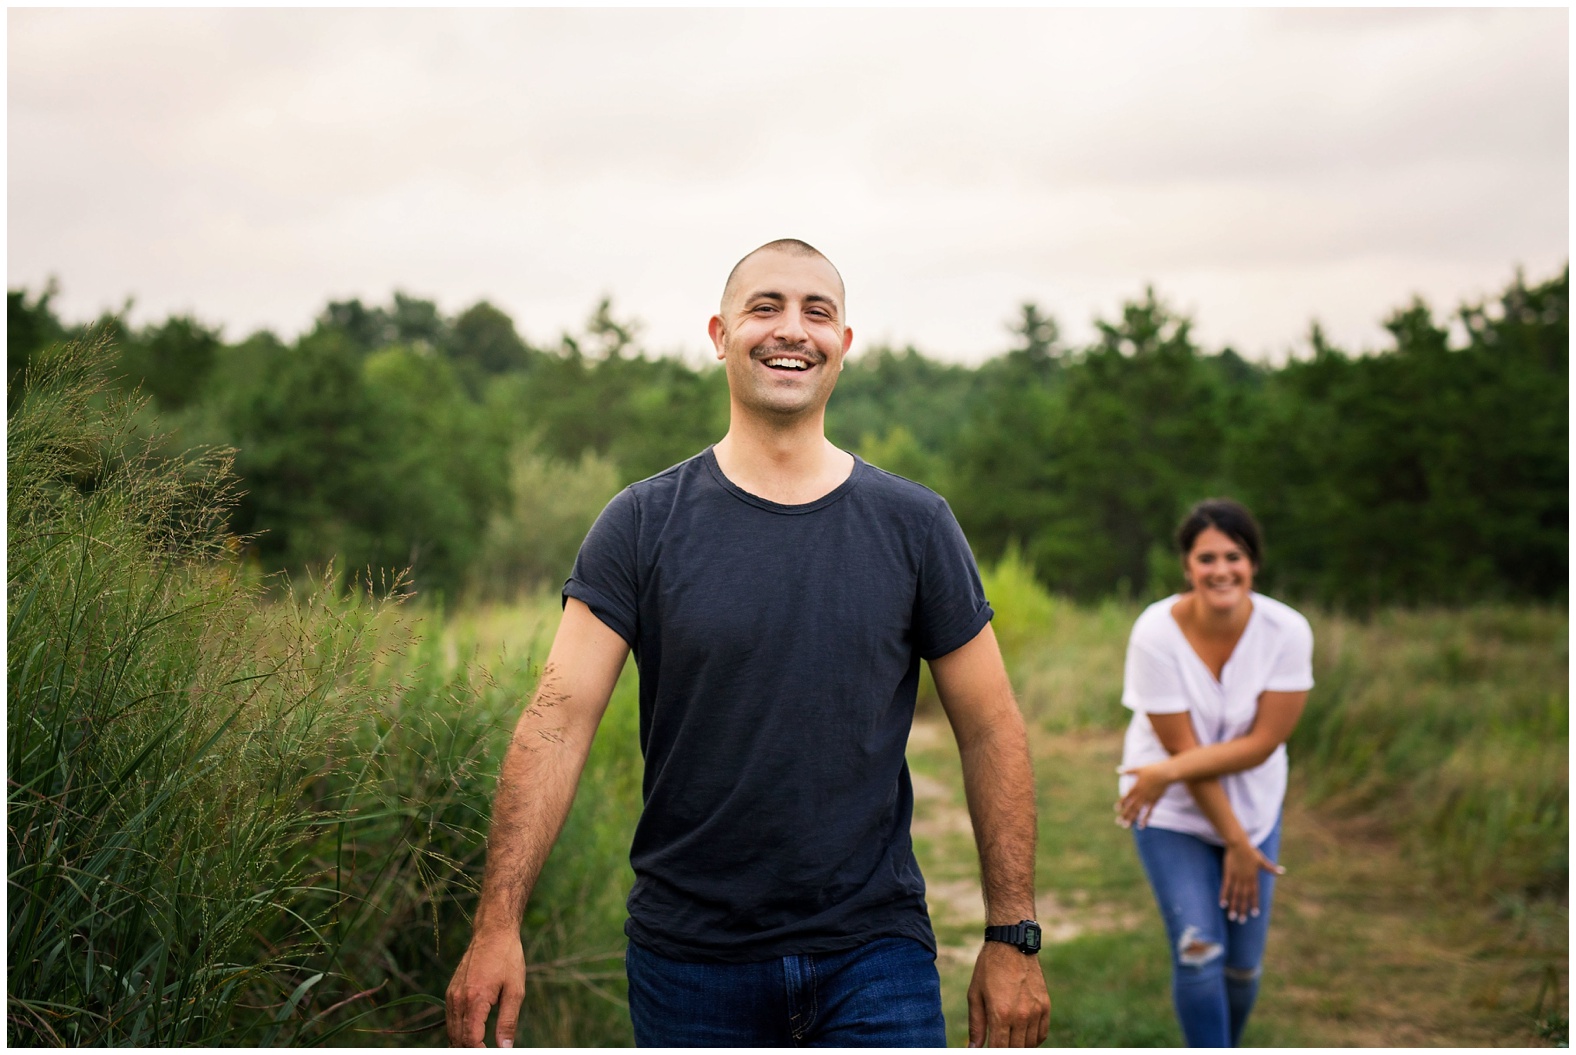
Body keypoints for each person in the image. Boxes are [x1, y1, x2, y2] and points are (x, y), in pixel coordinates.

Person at [446, 239, 1051, 1048]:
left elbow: (990, 726)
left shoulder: (916, 525)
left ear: (845, 343)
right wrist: (496, 925)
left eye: (817, 311)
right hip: (690, 963)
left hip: (875, 954)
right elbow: (557, 721)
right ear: (719, 334)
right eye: (764, 307)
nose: (791, 329)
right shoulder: (640, 524)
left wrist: (1013, 935)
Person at [1114, 499, 1313, 1048]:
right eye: (1207, 558)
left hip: (1251, 806)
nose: (1221, 569)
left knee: (1243, 968)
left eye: (1235, 555)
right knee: (1199, 953)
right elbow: (1189, 750)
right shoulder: (1155, 632)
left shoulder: (1288, 632)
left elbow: (1263, 744)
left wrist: (1164, 771)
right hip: (1171, 811)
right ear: (1187, 566)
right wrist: (1233, 843)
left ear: (1253, 563)